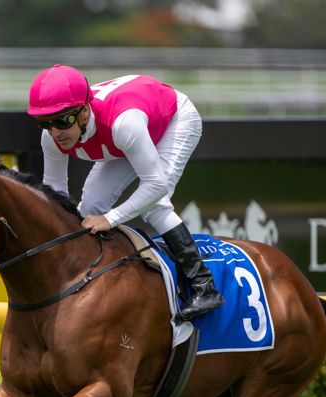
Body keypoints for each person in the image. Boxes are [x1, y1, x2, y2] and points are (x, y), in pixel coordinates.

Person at [27, 64, 223, 320]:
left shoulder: (123, 125)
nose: (55, 132)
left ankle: (204, 286)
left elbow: (156, 186)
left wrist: (111, 219)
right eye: (44, 123)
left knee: (155, 205)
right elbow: (55, 191)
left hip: (173, 120)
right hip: (130, 130)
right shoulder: (52, 138)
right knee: (90, 206)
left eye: (62, 120)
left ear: (84, 112)